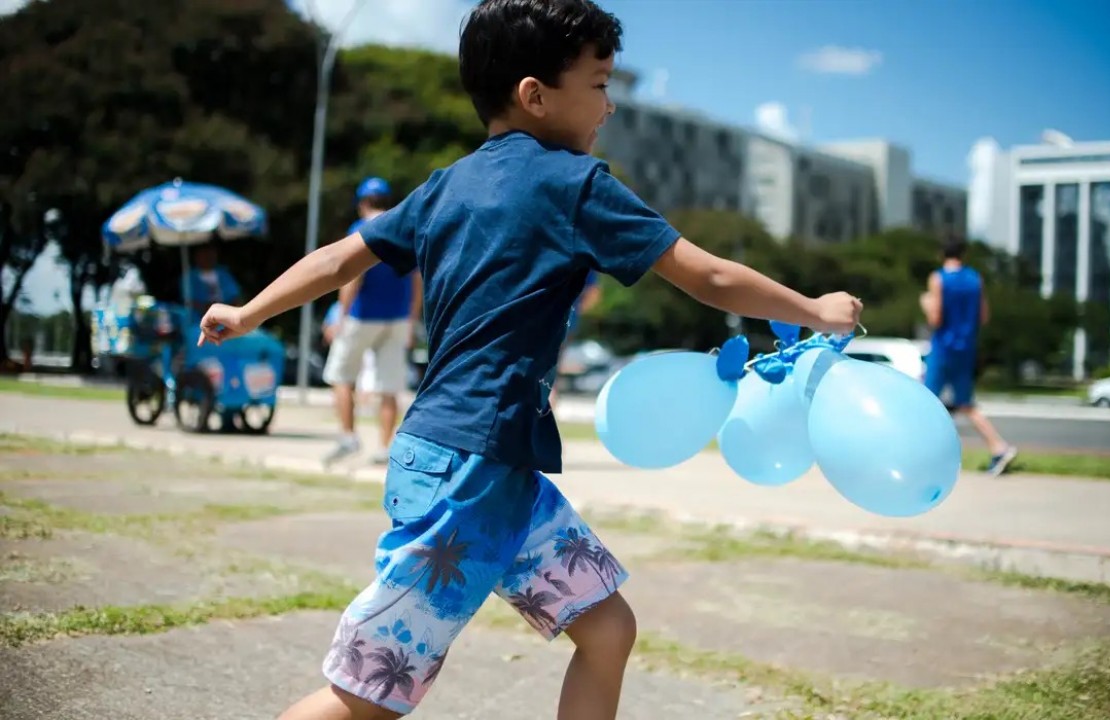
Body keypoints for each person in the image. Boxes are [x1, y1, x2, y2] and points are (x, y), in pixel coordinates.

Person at [197, 2, 861, 717]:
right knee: (369, 693)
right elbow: (710, 277)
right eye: (600, 84)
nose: (609, 106)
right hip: (470, 471)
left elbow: (336, 258)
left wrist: (248, 311)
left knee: (607, 629)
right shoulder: (574, 185)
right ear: (535, 95)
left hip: (492, 465)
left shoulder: (443, 185)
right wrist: (817, 310)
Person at [321, 178, 423, 466]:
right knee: (389, 385)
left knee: (341, 376)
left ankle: (348, 436)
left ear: (362, 203)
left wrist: (339, 316)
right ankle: (384, 447)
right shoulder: (405, 230)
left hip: (361, 316)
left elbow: (352, 276)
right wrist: (412, 318)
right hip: (398, 319)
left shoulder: (360, 230)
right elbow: (417, 281)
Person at [921, 235, 1018, 476]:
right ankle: (999, 447)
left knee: (925, 402)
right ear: (963, 255)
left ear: (941, 254)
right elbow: (983, 316)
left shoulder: (938, 278)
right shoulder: (975, 279)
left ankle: (923, 457)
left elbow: (936, 318)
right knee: (966, 404)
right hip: (967, 347)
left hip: (944, 346)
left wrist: (925, 303)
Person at [549, 269, 601, 408]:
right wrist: (577, 310)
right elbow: (593, 294)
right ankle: (549, 398)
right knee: (554, 364)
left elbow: (592, 293)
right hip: (567, 317)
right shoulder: (585, 260)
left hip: (549, 316)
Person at [182, 241, 241, 316]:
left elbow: (235, 297)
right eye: (205, 254)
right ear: (197, 256)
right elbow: (188, 301)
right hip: (198, 318)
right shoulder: (189, 277)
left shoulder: (224, 273)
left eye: (211, 254)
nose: (209, 257)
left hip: (227, 314)